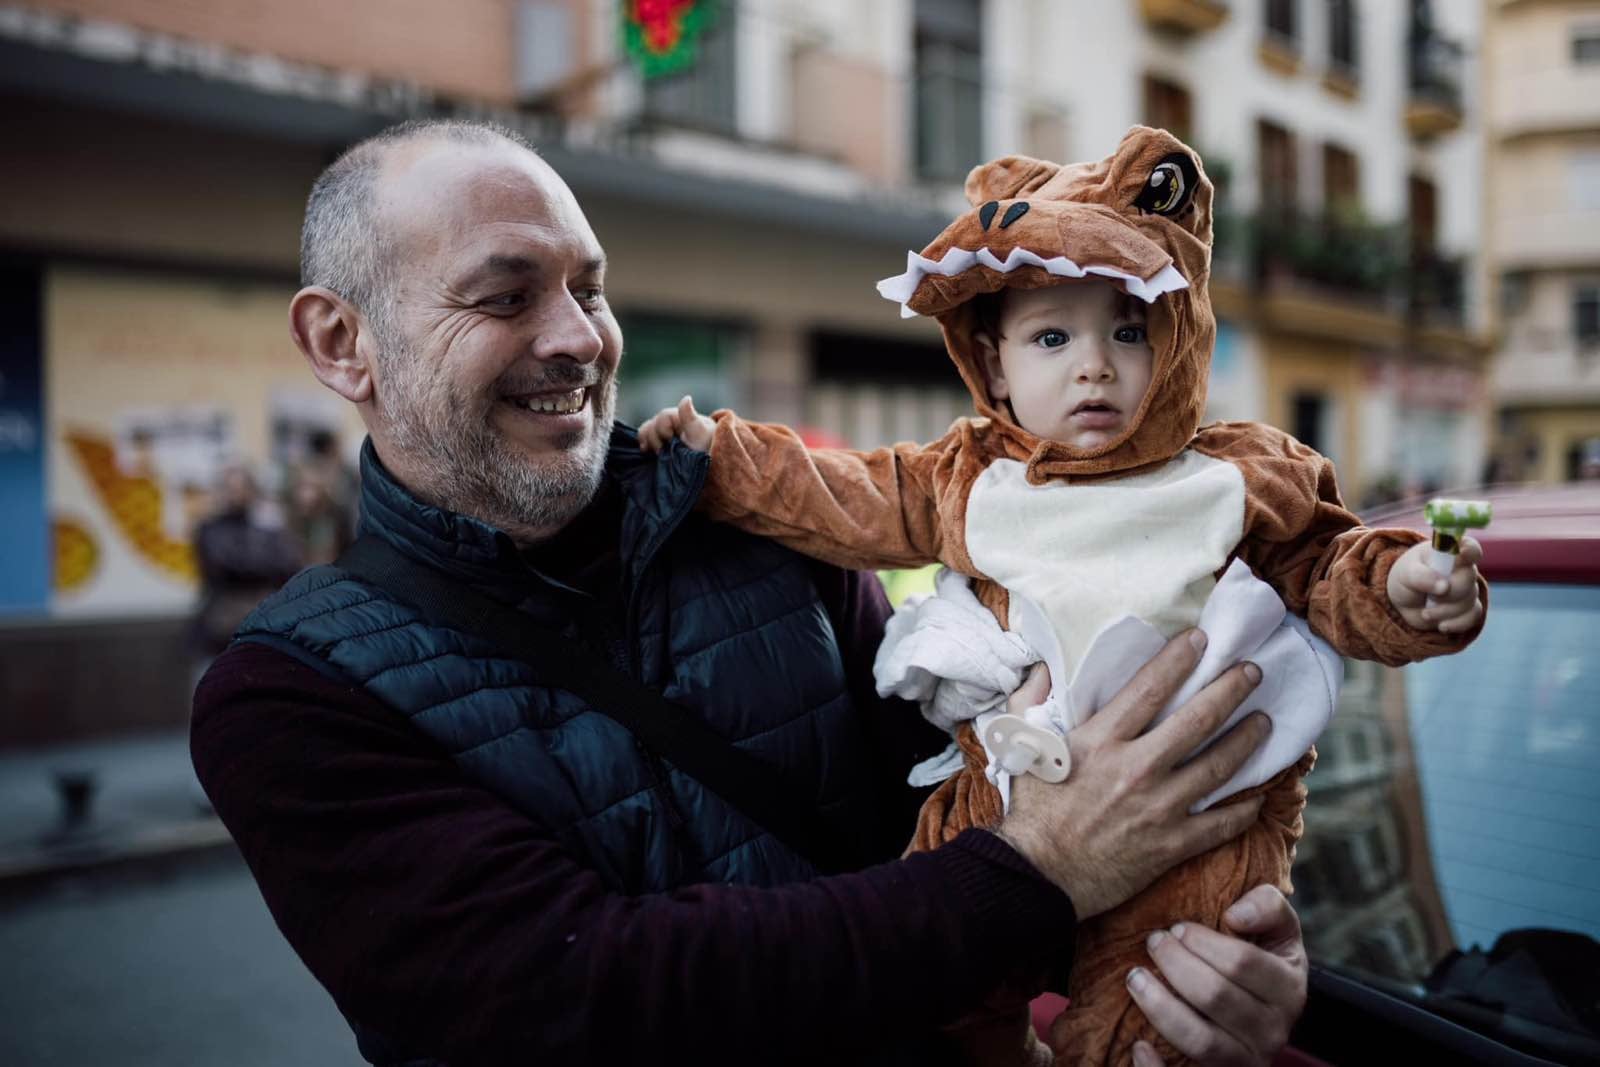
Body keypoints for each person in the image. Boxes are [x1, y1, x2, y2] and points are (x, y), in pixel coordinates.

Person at [191, 118, 1310, 1067]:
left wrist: (1197, 958)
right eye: (505, 296)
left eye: (589, 287)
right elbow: (577, 999)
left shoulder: (762, 526)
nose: (581, 338)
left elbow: (949, 821)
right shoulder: (284, 695)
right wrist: (1047, 867)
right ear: (343, 344)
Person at [639, 127, 1486, 1065]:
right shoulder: (967, 478)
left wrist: (1409, 583)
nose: (1096, 364)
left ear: (1177, 334)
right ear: (995, 364)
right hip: (1002, 813)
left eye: (1129, 329)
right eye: (1053, 336)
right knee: (930, 1004)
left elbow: (1333, 569)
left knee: (1147, 1032)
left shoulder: (1241, 473)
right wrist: (715, 459)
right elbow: (836, 492)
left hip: (1191, 827)